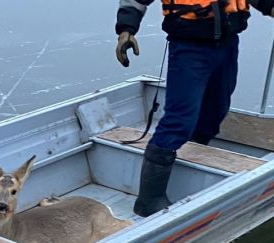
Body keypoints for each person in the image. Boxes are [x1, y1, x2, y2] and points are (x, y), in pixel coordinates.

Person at [115, 0, 274, 217]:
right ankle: (149, 199)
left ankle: (192, 156)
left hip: (227, 45)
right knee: (179, 119)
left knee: (215, 111)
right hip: (189, 48)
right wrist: (126, 29)